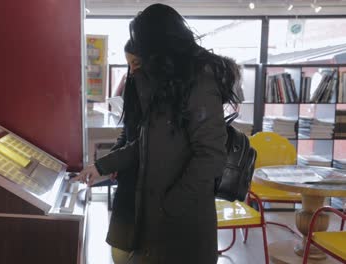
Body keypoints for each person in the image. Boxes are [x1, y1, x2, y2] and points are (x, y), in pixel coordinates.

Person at [74, 3, 240, 264]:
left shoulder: (199, 81)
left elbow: (210, 156)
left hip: (180, 220)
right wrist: (101, 166)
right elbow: (144, 143)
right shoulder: (167, 84)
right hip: (155, 216)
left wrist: (169, 205)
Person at [107, 40, 142, 264]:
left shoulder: (167, 94)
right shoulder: (132, 86)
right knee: (118, 251)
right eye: (129, 64)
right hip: (128, 183)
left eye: (136, 63)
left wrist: (108, 163)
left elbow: (145, 143)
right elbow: (127, 132)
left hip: (149, 186)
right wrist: (115, 156)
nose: (132, 69)